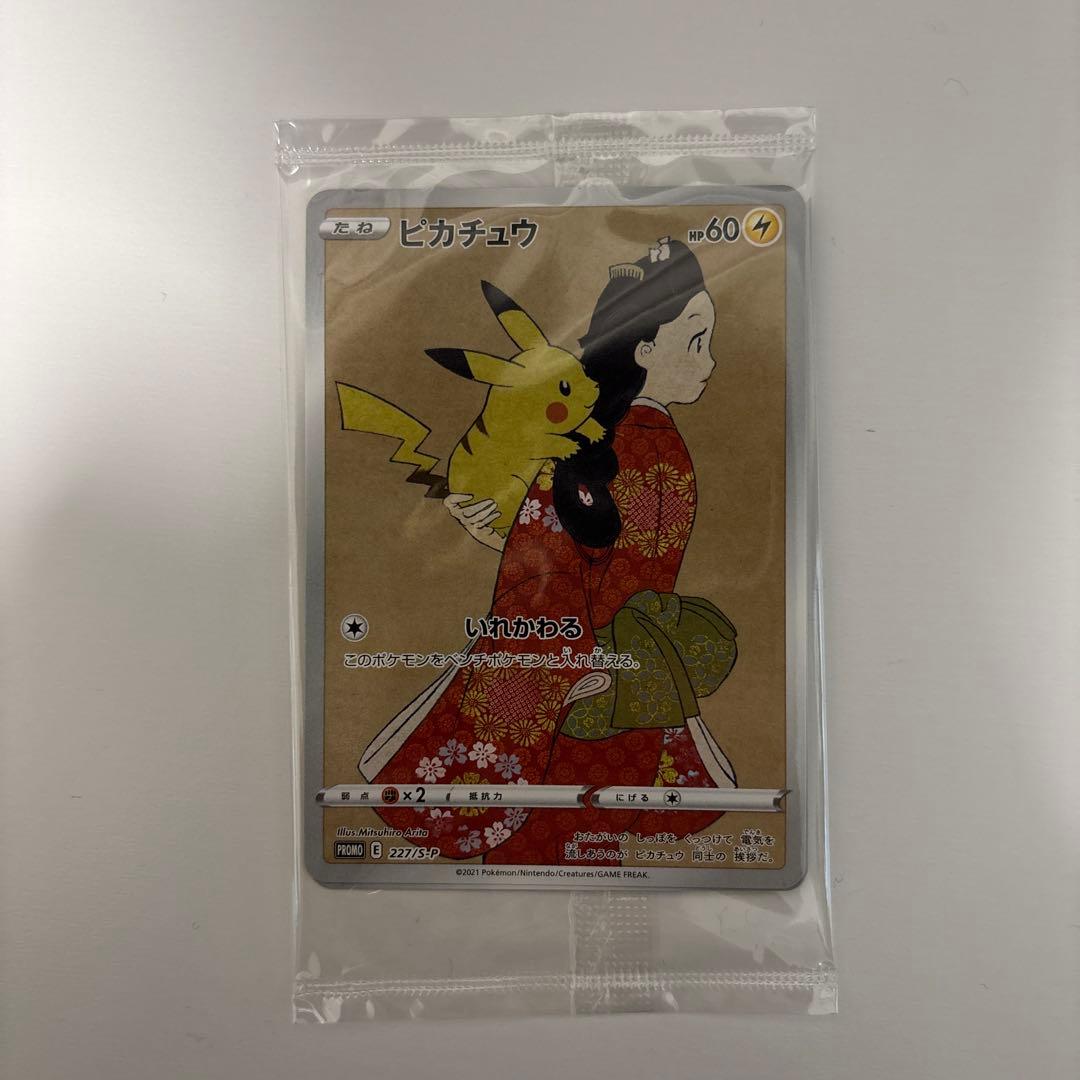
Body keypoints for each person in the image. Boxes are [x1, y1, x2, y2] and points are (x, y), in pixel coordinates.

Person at [362, 238, 737, 864]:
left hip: (577, 683)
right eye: (697, 342)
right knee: (588, 845)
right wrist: (508, 534)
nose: (711, 361)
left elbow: (555, 569)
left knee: (541, 851)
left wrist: (559, 652)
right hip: (635, 684)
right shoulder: (654, 445)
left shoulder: (596, 449)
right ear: (644, 350)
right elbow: (601, 553)